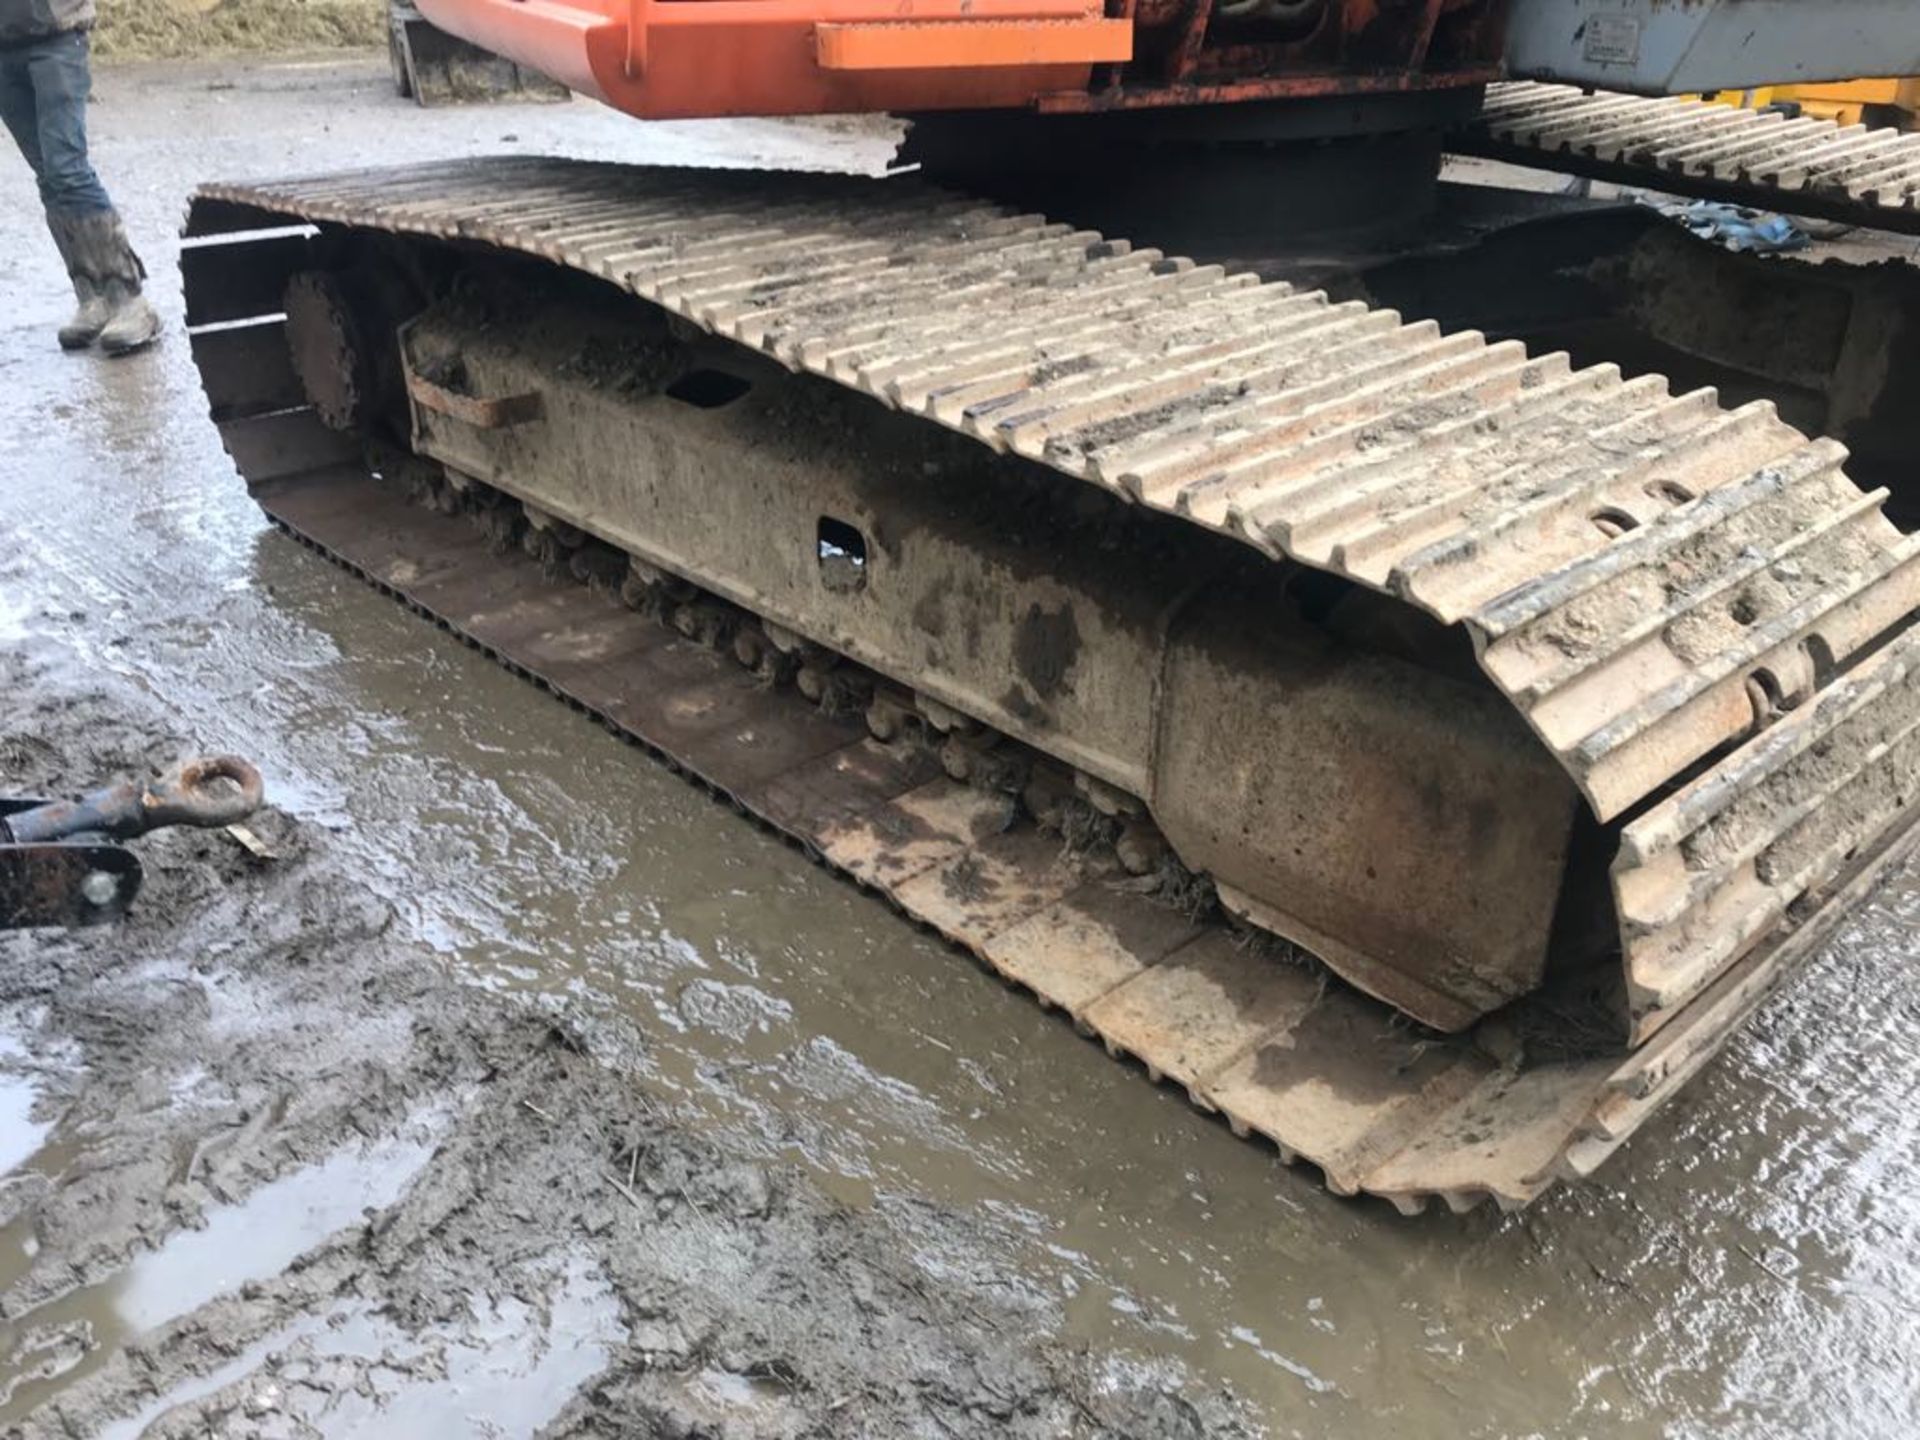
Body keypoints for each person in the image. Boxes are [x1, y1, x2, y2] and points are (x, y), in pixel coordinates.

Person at [1, 0, 158, 354]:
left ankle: (129, 298)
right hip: (4, 47)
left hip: (56, 39)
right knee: (48, 176)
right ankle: (91, 295)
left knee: (67, 171)